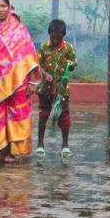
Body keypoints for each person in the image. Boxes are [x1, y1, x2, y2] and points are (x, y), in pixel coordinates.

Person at [0, 0, 40, 164]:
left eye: (3, 6)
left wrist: (33, 81)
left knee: (17, 113)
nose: (1, 10)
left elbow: (30, 56)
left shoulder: (19, 29)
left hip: (18, 79)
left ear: (9, 8)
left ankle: (15, 152)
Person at [35, 19, 77, 157]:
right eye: (53, 38)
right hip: (45, 89)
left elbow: (73, 64)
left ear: (63, 35)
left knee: (64, 115)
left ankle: (65, 146)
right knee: (43, 114)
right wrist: (45, 74)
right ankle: (40, 144)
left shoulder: (68, 48)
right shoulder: (43, 47)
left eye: (58, 39)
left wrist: (70, 64)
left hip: (62, 89)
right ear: (49, 34)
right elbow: (37, 65)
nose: (55, 41)